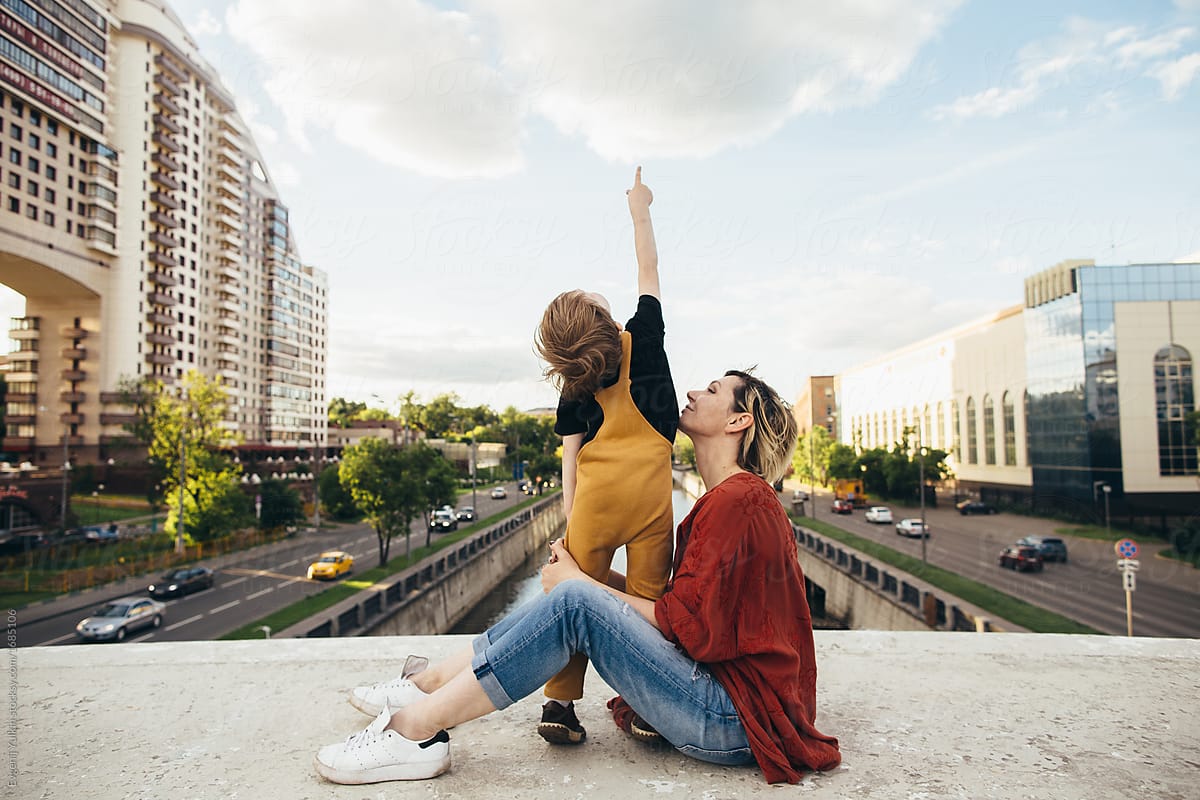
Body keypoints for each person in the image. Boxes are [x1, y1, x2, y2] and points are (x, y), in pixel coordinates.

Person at [314, 369, 842, 786]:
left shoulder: (739, 499)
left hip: (732, 719)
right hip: (735, 710)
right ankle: (426, 686)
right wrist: (589, 577)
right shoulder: (731, 499)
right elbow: (691, 614)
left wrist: (582, 586)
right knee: (576, 590)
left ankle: (415, 730)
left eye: (713, 390)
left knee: (575, 602)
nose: (693, 392)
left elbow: (691, 630)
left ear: (737, 422)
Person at [351, 167, 679, 746]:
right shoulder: (644, 341)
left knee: (571, 599)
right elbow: (648, 268)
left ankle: (559, 705)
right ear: (606, 320)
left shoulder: (576, 383)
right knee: (650, 603)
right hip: (653, 506)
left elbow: (570, 455)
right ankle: (647, 703)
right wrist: (639, 208)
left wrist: (571, 522)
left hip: (594, 507)